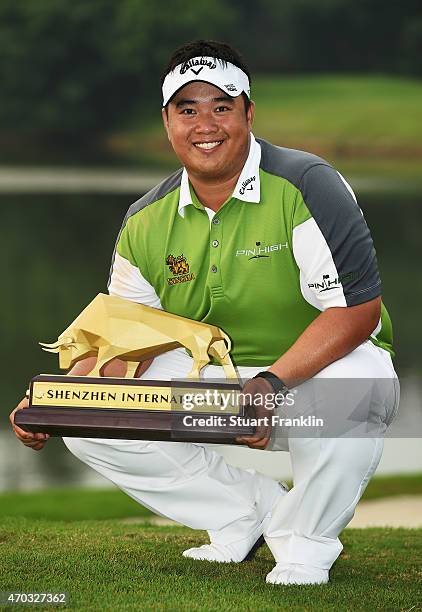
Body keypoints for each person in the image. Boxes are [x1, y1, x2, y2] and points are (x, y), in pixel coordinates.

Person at [10, 40, 399, 586]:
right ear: (167, 122)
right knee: (88, 418)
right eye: (187, 109)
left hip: (309, 380)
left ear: (248, 114)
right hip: (214, 386)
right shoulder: (144, 219)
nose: (204, 124)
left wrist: (266, 386)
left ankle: (308, 542)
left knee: (361, 386)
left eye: (221, 106)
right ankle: (246, 517)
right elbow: (126, 344)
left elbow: (356, 311)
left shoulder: (308, 184)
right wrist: (57, 400)